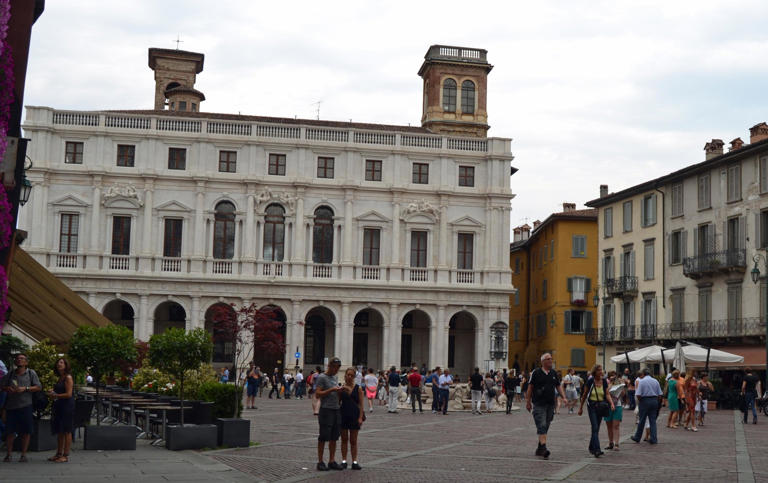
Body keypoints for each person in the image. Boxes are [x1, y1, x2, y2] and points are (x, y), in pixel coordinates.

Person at [1, 353, 42, 462]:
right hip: (11, 407)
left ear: (26, 362)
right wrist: (7, 388)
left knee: (26, 431)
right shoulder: (10, 374)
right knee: (10, 432)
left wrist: (26, 388)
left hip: (26, 406)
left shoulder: (31, 373)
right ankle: (8, 454)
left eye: (22, 358)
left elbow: (38, 387)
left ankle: (23, 455)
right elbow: (2, 386)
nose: (19, 360)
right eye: (18, 358)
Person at [526, 353, 565, 459]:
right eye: (548, 359)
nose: (551, 361)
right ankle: (543, 448)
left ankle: (539, 448)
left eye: (551, 359)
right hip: (539, 403)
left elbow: (558, 386)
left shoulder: (553, 373)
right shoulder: (536, 373)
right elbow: (530, 387)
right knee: (541, 424)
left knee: (546, 424)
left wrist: (563, 397)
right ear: (543, 361)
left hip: (550, 404)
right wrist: (528, 402)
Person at [578, 364, 614, 457]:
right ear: (595, 372)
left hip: (601, 406)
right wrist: (581, 407)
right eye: (599, 370)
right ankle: (597, 449)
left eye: (601, 370)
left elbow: (607, 394)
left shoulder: (604, 382)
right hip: (592, 406)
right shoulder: (590, 381)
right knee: (594, 427)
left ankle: (591, 447)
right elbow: (585, 394)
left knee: (596, 428)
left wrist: (612, 403)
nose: (601, 372)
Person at [315, 357, 343, 471]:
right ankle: (320, 461)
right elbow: (317, 394)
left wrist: (340, 391)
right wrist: (331, 390)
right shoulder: (322, 377)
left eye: (338, 368)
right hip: (326, 410)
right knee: (323, 436)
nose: (336, 370)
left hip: (336, 409)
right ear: (330, 366)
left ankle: (332, 460)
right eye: (335, 367)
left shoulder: (335, 377)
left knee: (334, 437)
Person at [48, 357, 74, 463]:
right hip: (59, 405)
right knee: (60, 430)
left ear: (66, 365)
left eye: (62, 362)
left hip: (67, 406)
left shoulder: (68, 377)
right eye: (58, 362)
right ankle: (58, 453)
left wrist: (56, 395)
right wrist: (52, 392)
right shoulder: (60, 377)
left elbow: (69, 394)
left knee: (67, 430)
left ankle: (65, 455)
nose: (59, 364)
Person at [339, 367, 364, 470]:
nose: (349, 377)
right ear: (345, 375)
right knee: (344, 439)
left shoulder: (358, 388)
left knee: (353, 440)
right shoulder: (342, 388)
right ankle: (344, 460)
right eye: (348, 375)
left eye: (351, 375)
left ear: (354, 377)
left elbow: (361, 404)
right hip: (343, 415)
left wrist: (360, 417)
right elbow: (338, 402)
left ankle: (354, 461)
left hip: (354, 416)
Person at [631, 367, 662, 444]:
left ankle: (637, 437)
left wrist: (641, 401)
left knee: (642, 420)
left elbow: (638, 394)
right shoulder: (655, 381)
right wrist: (657, 401)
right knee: (653, 421)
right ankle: (653, 438)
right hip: (654, 400)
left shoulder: (642, 381)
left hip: (644, 400)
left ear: (643, 374)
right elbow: (660, 394)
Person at [604, 371, 625, 451]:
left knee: (616, 426)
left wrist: (621, 386)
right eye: (611, 376)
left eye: (614, 376)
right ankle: (610, 443)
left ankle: (617, 444)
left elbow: (623, 394)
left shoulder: (619, 383)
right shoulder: (606, 383)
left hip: (617, 405)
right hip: (608, 406)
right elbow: (606, 392)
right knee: (609, 426)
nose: (613, 377)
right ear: (609, 377)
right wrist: (611, 383)